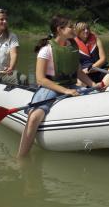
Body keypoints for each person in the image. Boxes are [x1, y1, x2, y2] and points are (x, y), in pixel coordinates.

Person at [17, 15, 99, 158]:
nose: (74, 29)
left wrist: (93, 85)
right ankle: (21, 156)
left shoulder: (73, 46)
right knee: (35, 116)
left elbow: (78, 72)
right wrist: (65, 91)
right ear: (59, 30)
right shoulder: (46, 50)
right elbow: (40, 79)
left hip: (71, 85)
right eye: (70, 27)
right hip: (50, 87)